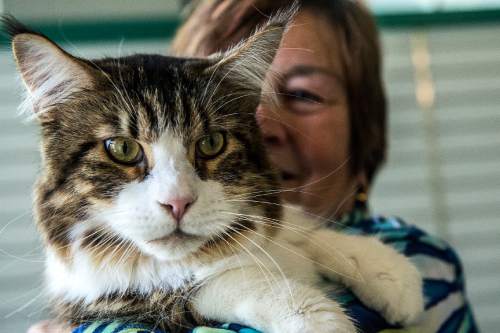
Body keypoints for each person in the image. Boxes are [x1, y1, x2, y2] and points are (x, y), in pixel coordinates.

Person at [29, 0, 479, 332]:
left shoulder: (423, 258)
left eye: (304, 94)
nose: (270, 127)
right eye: (125, 151)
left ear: (366, 124)